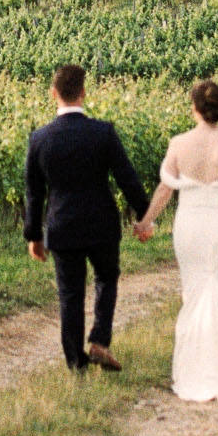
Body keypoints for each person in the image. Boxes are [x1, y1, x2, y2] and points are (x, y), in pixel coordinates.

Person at [137, 79, 218, 402]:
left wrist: (146, 221)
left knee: (195, 290)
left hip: (191, 226)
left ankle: (198, 371)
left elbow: (165, 190)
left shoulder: (179, 144)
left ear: (194, 108)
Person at [25, 63, 151, 372]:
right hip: (101, 224)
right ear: (83, 93)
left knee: (70, 294)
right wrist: (144, 217)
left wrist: (34, 236)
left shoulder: (40, 138)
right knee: (106, 279)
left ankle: (76, 363)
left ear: (53, 93)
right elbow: (127, 178)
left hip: (62, 226)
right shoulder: (103, 133)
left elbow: (34, 193)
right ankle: (99, 341)